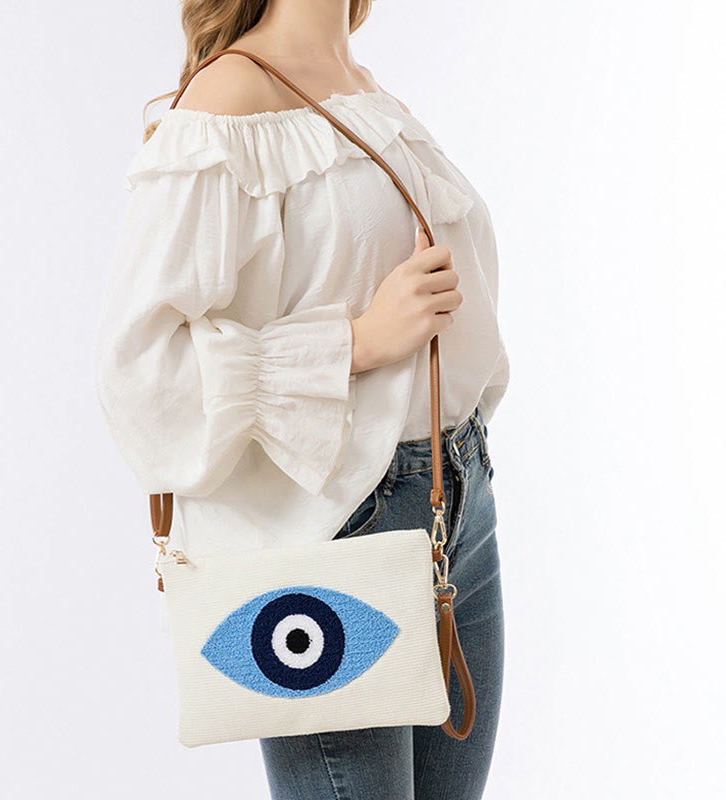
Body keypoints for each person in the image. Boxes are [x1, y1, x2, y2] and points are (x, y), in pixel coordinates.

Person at [92, 1, 509, 797]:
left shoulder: (365, 87)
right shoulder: (229, 100)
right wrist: (356, 342)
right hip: (336, 532)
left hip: (456, 500)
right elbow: (137, 370)